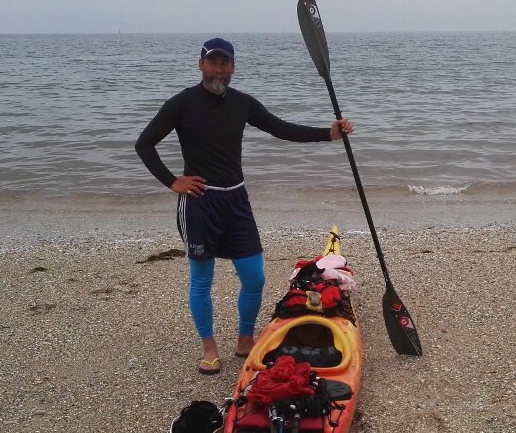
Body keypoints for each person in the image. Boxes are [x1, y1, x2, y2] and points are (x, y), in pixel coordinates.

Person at [135, 37, 354, 375]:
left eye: (225, 63)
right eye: (213, 62)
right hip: (199, 203)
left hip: (236, 200)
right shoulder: (181, 104)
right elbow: (144, 144)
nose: (218, 69)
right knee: (201, 280)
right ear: (201, 65)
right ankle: (209, 348)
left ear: (233, 67)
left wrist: (327, 135)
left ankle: (244, 340)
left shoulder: (242, 104)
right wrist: (172, 181)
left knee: (254, 278)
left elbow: (280, 128)